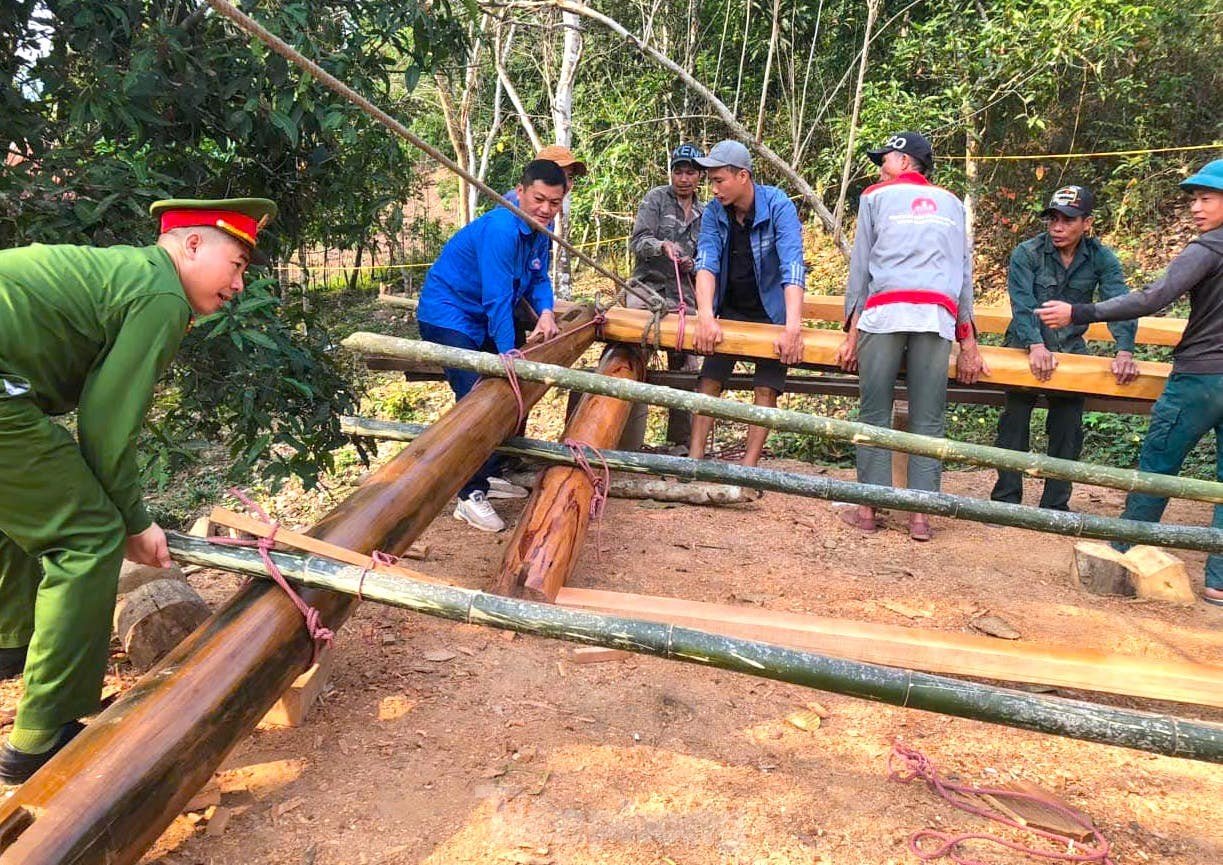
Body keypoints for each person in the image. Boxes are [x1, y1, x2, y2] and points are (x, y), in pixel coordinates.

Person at [0, 196, 277, 783]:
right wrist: (130, 520)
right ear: (192, 244)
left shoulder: (126, 274)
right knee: (86, 535)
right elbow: (104, 427)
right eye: (236, 262)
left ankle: (13, 645)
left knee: (27, 508)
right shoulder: (161, 295)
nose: (239, 284)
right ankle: (40, 738)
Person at [1037, 158, 1223, 606]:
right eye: (1193, 198)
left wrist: (1079, 311)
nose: (1196, 208)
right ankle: (1218, 580)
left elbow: (1153, 297)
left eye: (1206, 198)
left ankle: (1121, 554)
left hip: (1200, 378)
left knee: (1159, 465)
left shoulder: (1207, 249)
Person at [836, 131, 986, 541]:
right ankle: (920, 515)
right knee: (928, 417)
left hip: (883, 314)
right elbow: (963, 274)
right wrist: (967, 341)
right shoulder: (953, 204)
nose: (880, 167)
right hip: (937, 317)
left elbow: (861, 269)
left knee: (874, 412)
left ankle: (868, 508)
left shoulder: (874, 198)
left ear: (904, 161)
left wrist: (850, 333)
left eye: (884, 158)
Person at [417, 159, 567, 533]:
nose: (545, 210)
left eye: (554, 203)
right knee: (476, 400)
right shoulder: (502, 227)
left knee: (509, 394)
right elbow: (497, 297)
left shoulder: (537, 231)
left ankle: (490, 469)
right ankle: (469, 494)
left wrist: (546, 313)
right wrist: (507, 353)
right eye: (539, 200)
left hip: (482, 317)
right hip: (449, 314)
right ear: (520, 192)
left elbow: (537, 279)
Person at [990, 186, 1138, 511]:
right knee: (1014, 421)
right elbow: (1022, 303)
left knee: (1068, 425)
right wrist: (1035, 345)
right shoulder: (1027, 253)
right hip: (1023, 346)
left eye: (1068, 220)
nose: (1057, 227)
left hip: (1070, 350)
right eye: (1053, 219)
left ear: (1087, 223)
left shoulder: (1101, 258)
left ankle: (1055, 505)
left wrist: (1125, 350)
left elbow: (1119, 302)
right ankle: (1005, 501)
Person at [687, 140, 807, 467]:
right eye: (710, 181)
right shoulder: (714, 212)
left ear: (743, 176)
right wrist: (706, 317)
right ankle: (694, 462)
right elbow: (706, 262)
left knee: (766, 388)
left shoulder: (778, 206)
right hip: (731, 308)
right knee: (708, 380)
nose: (713, 189)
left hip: (773, 311)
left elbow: (792, 264)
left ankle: (748, 468)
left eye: (718, 180)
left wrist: (792, 327)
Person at [621, 143, 706, 452]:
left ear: (700, 176)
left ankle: (681, 443)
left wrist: (692, 264)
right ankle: (624, 438)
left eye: (690, 172)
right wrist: (661, 247)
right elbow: (639, 241)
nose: (683, 178)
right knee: (630, 354)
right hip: (647, 290)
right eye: (678, 171)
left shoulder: (706, 214)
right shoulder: (655, 199)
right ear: (671, 172)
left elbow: (709, 257)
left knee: (687, 368)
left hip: (685, 296)